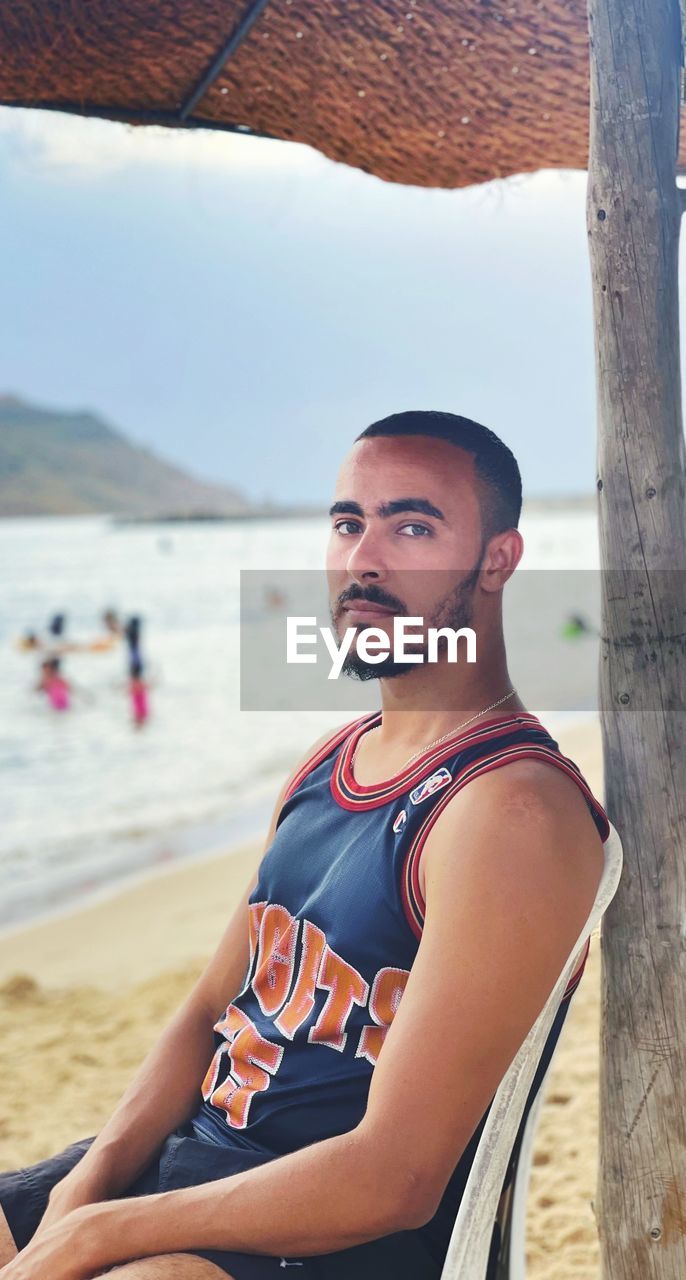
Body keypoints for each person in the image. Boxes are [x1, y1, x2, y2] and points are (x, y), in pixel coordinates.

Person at [0, 411, 610, 1280]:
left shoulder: (510, 812)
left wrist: (106, 1235)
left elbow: (394, 1181)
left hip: (326, 1241)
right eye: (347, 522)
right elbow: (207, 1009)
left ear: (498, 559)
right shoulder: (332, 764)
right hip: (187, 1181)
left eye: (412, 526)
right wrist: (86, 1188)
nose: (365, 557)